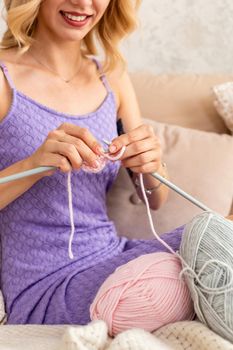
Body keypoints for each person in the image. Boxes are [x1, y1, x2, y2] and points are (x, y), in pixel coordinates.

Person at [0, 0, 187, 326]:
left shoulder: (111, 78)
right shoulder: (4, 79)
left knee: (204, 241)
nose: (84, 4)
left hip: (114, 258)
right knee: (200, 257)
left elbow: (155, 199)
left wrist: (151, 163)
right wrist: (34, 164)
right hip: (45, 289)